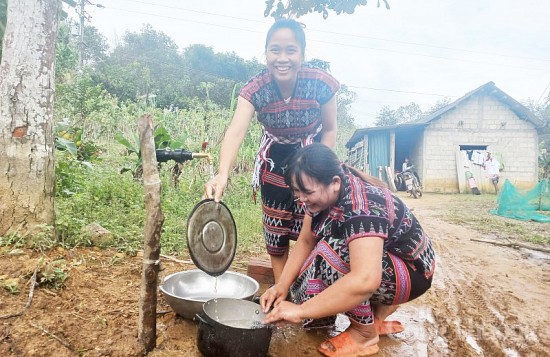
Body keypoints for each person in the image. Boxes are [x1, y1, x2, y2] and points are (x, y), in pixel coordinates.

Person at [260, 143, 435, 356]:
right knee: (312, 267)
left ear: (334, 183)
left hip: (413, 272)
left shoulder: (361, 204)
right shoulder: (324, 194)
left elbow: (365, 279)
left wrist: (300, 311)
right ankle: (376, 319)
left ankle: (364, 335)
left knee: (330, 253)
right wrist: (282, 285)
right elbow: (305, 241)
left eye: (306, 192)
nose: (301, 200)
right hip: (391, 262)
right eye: (297, 193)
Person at [204, 19, 340, 282]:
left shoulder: (321, 83)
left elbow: (330, 129)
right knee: (275, 231)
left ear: (302, 54)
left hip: (310, 154)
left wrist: (320, 170)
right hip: (274, 159)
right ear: (266, 52)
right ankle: (281, 288)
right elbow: (236, 131)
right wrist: (222, 174)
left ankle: (305, 286)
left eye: (291, 50)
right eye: (275, 50)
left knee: (309, 226)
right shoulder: (256, 88)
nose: (282, 58)